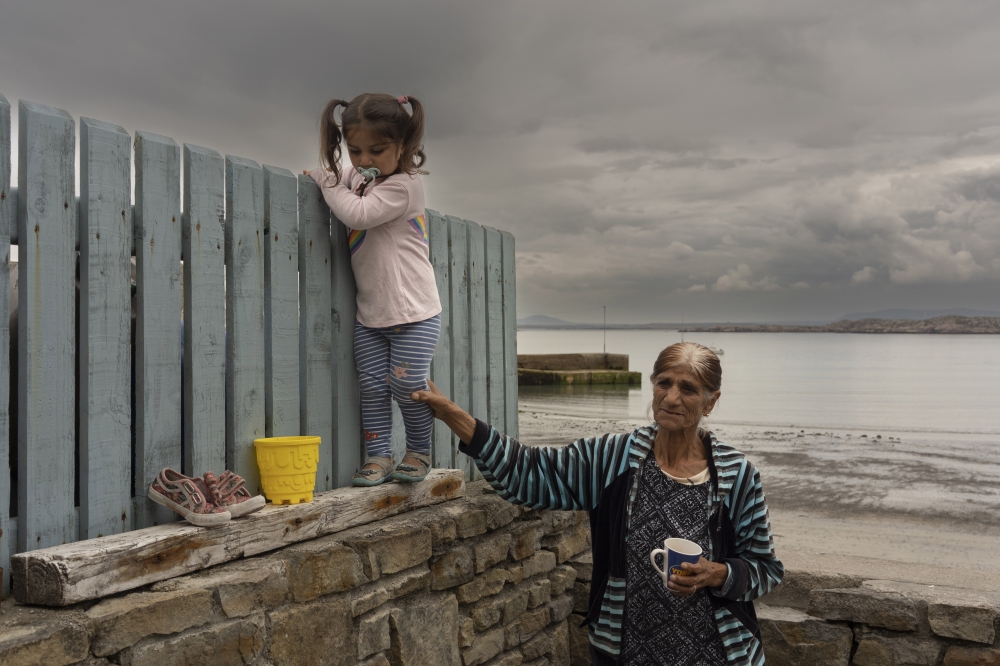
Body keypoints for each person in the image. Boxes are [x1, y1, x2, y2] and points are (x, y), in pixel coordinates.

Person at [412, 342, 783, 666]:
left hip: (716, 653)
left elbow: (765, 569)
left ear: (711, 401)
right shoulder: (612, 458)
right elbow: (527, 474)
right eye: (664, 383)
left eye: (688, 388)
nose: (671, 397)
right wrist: (450, 414)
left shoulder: (736, 475)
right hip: (626, 652)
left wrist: (716, 574)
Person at [307, 93, 441, 487]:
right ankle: (379, 455)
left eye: (377, 150)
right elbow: (347, 183)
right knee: (372, 387)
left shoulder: (403, 186)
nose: (364, 160)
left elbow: (357, 214)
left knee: (407, 384)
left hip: (415, 313)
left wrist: (326, 180)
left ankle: (418, 451)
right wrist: (335, 175)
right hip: (372, 315)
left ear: (404, 146)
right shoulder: (362, 179)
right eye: (355, 150)